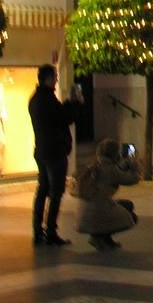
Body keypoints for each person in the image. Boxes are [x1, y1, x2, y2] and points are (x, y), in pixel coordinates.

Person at [29, 64, 82, 247]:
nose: (57, 79)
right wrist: (75, 104)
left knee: (43, 189)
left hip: (42, 150)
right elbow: (64, 118)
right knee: (56, 191)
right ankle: (50, 231)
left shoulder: (36, 99)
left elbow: (57, 115)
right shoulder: (48, 100)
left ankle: (38, 230)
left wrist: (67, 104)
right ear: (49, 78)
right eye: (55, 76)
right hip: (55, 152)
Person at [77, 138, 142, 251]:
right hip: (98, 213)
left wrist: (122, 166)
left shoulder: (94, 165)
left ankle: (103, 238)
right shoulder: (110, 169)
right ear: (115, 153)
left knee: (125, 205)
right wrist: (135, 167)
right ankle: (99, 237)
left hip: (82, 216)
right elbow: (131, 179)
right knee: (131, 216)